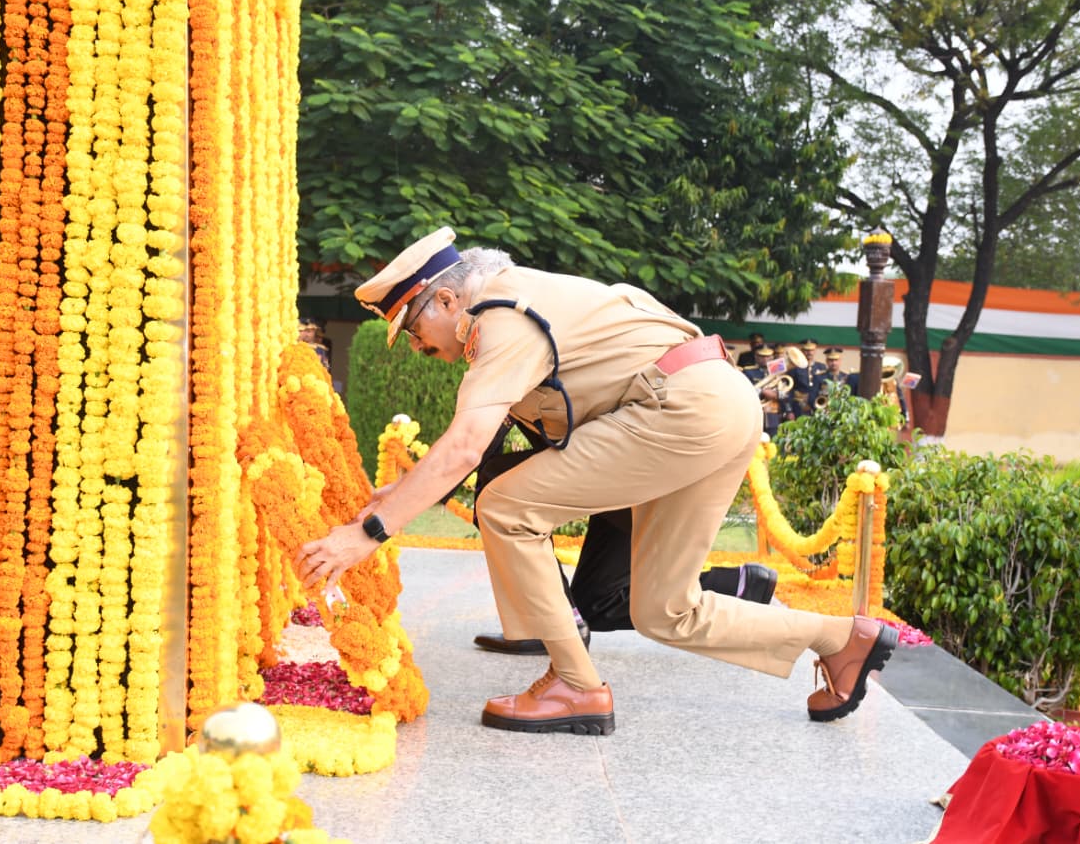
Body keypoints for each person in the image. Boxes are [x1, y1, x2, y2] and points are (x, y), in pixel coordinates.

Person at [295, 227, 896, 735]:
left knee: (505, 507)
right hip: (716, 407)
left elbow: (463, 447)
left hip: (679, 411)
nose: (421, 349)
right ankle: (842, 639)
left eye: (416, 332)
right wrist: (402, 497)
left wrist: (365, 535)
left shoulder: (500, 319)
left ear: (448, 301)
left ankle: (576, 686)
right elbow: (489, 437)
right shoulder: (525, 298)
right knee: (663, 610)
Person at [464, 420, 779, 655]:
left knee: (496, 489)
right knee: (597, 603)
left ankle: (551, 624)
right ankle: (739, 586)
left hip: (631, 464)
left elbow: (474, 439)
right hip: (613, 461)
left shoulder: (516, 342)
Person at [743, 345, 791, 437]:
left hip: (774, 415)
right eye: (762, 356)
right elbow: (746, 392)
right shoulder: (749, 371)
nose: (765, 359)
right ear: (756, 357)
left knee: (773, 442)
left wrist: (777, 395)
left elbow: (787, 393)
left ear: (773, 357)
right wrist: (762, 391)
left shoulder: (778, 370)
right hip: (756, 414)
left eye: (768, 356)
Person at [789, 339, 827, 418]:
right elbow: (789, 390)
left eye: (812, 350)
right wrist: (789, 410)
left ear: (815, 350)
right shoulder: (795, 368)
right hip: (799, 405)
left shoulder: (821, 367)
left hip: (816, 405)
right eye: (806, 350)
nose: (809, 352)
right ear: (802, 351)